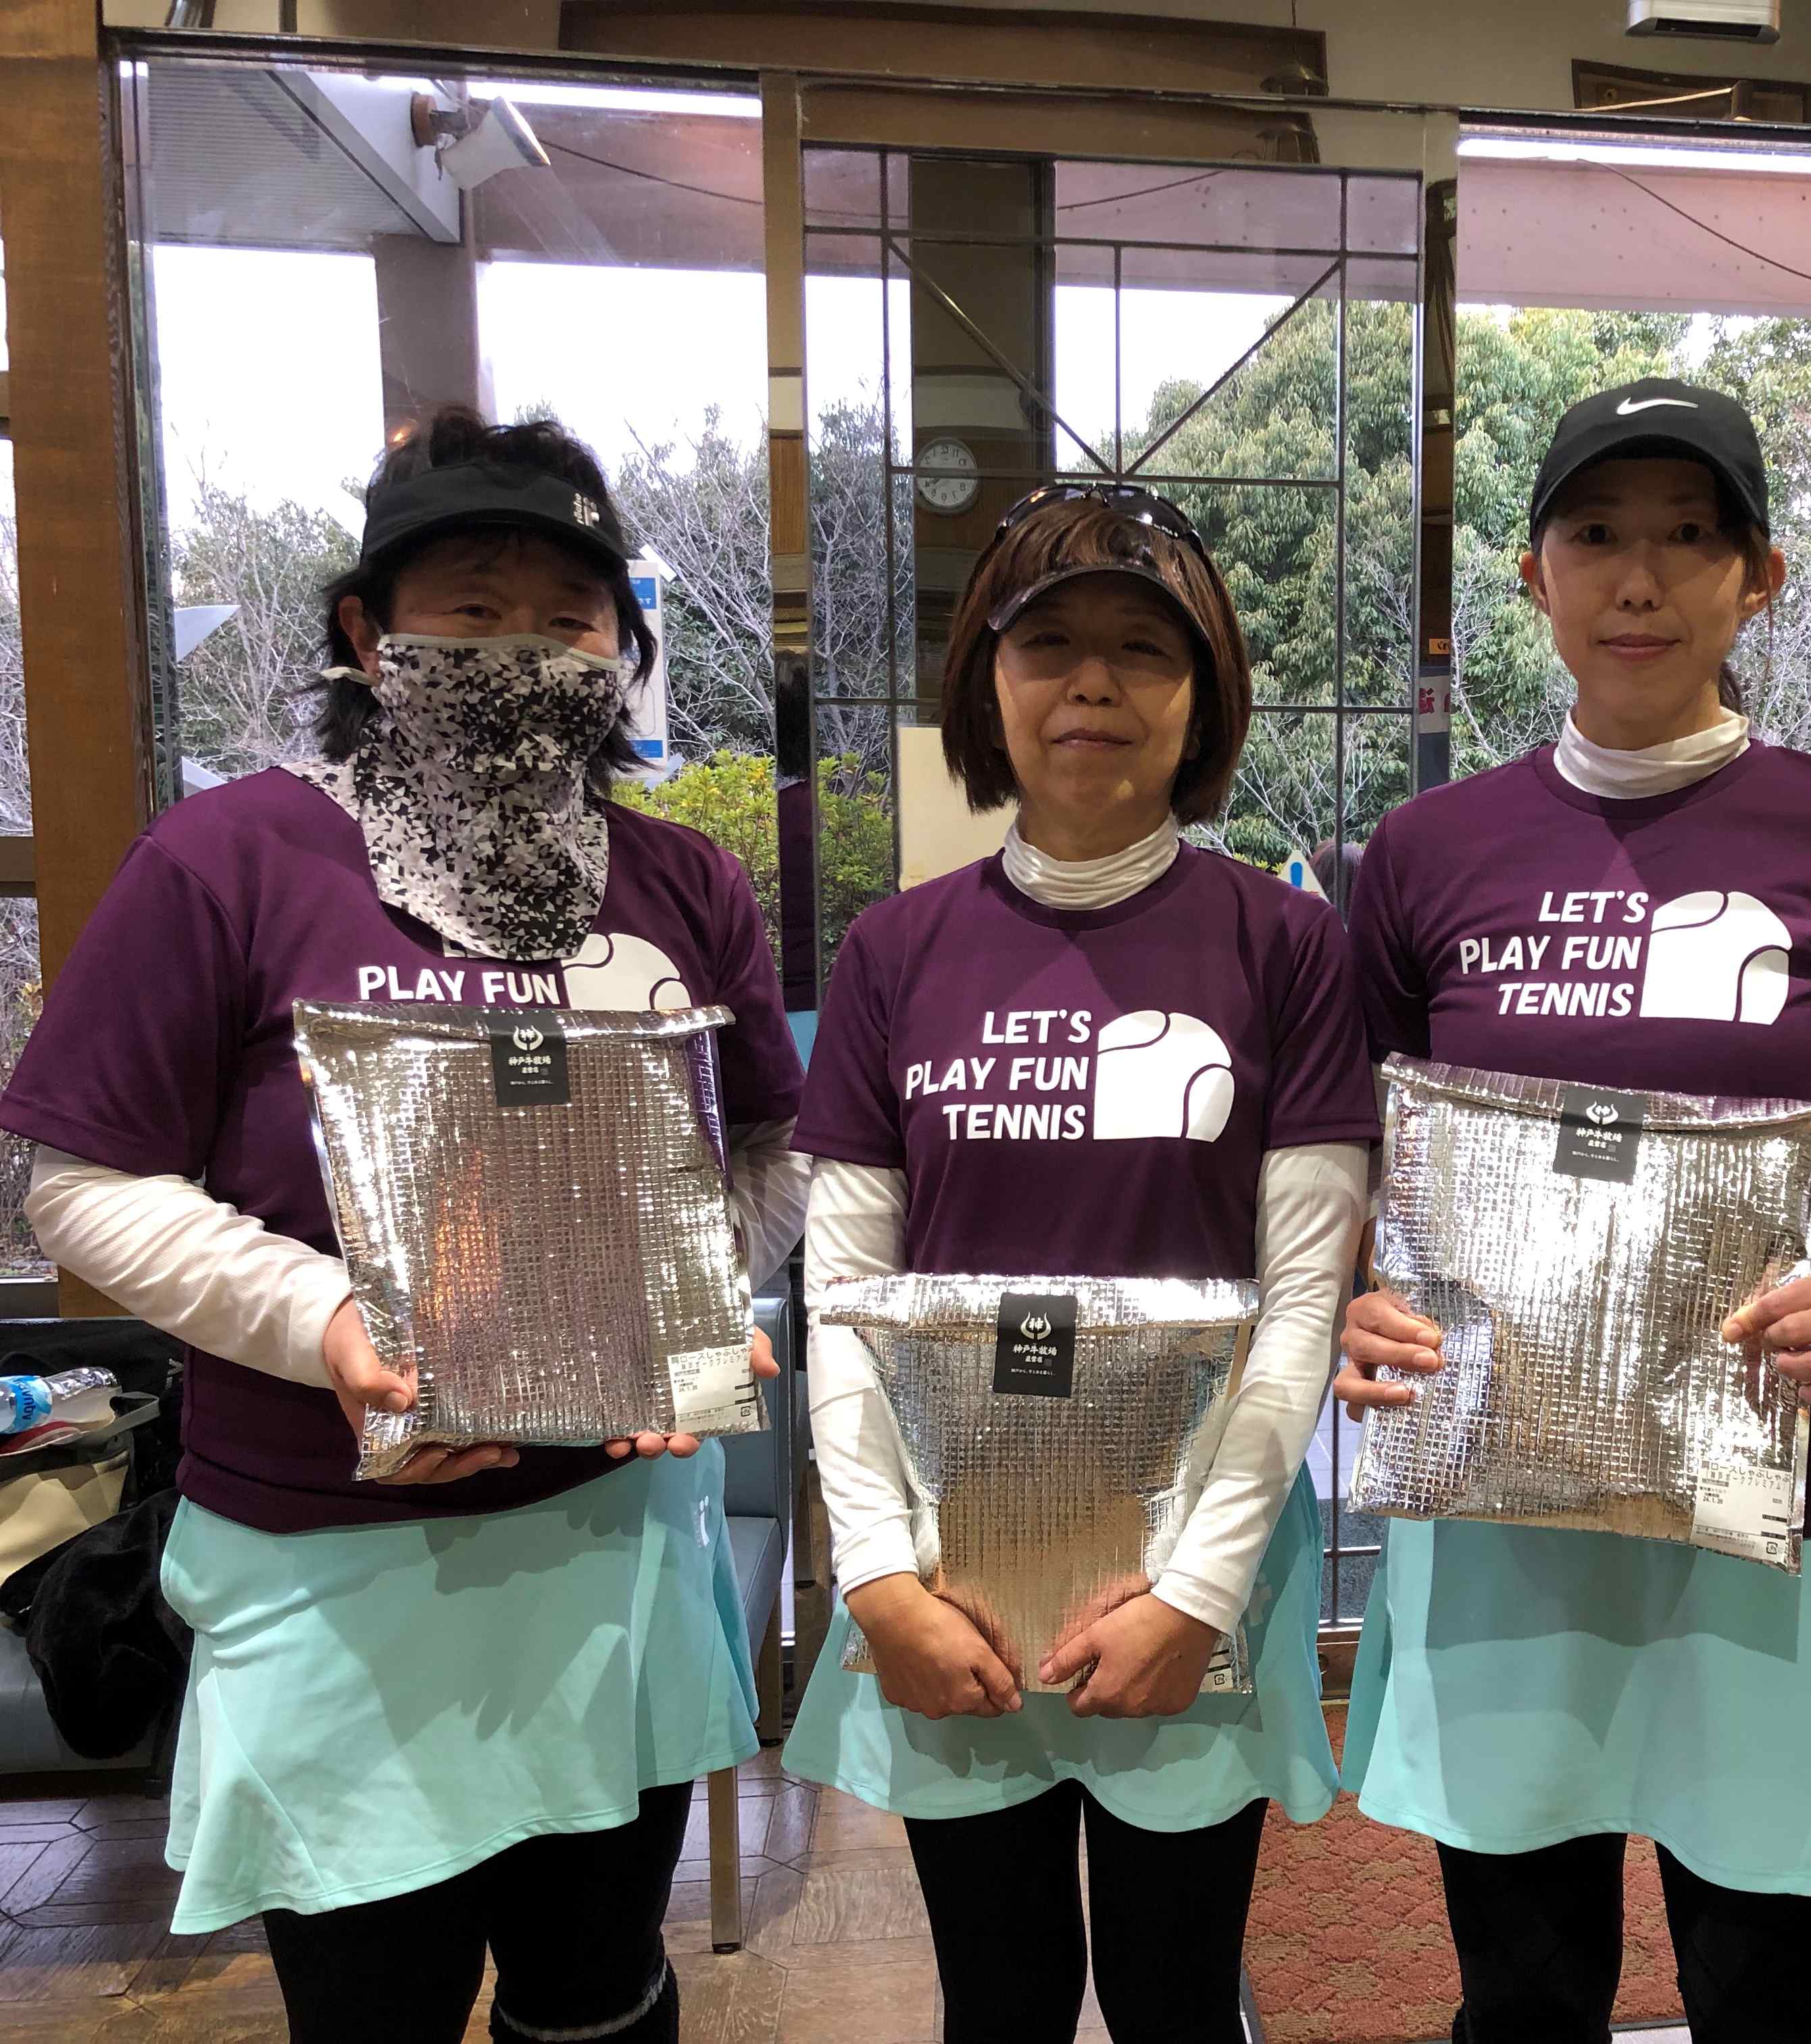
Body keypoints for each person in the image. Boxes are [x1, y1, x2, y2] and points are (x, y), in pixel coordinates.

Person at [0, 409, 809, 2043]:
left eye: (570, 616)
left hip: (608, 1545)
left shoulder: (682, 884)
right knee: (374, 2009)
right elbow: (78, 1181)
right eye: (473, 607)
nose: (527, 650)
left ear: (624, 644)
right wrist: (329, 1324)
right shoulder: (230, 860)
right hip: (332, 1559)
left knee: (599, 1997)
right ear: (368, 633)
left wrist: (689, 1301)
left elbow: (771, 1157)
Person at [1331, 379, 1811, 2043]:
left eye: (1691, 536)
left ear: (1758, 578)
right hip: (1500, 1488)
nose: (1641, 578)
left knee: (1769, 1979)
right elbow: (1369, 1151)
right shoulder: (1425, 851)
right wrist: (1359, 1297)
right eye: (1598, 534)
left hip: (1781, 1484)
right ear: (1532, 575)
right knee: (1524, 1981)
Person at [783, 481, 1380, 2043]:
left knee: (1179, 2000)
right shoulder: (894, 953)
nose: (1094, 685)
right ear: (987, 679)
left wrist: (1196, 1593)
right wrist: (876, 1580)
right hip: (951, 1573)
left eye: (1144, 649)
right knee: (1001, 1999)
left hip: (1193, 1569)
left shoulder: (1286, 947)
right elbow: (842, 1299)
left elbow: (1301, 1299)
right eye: (1050, 645)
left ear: (1205, 693)